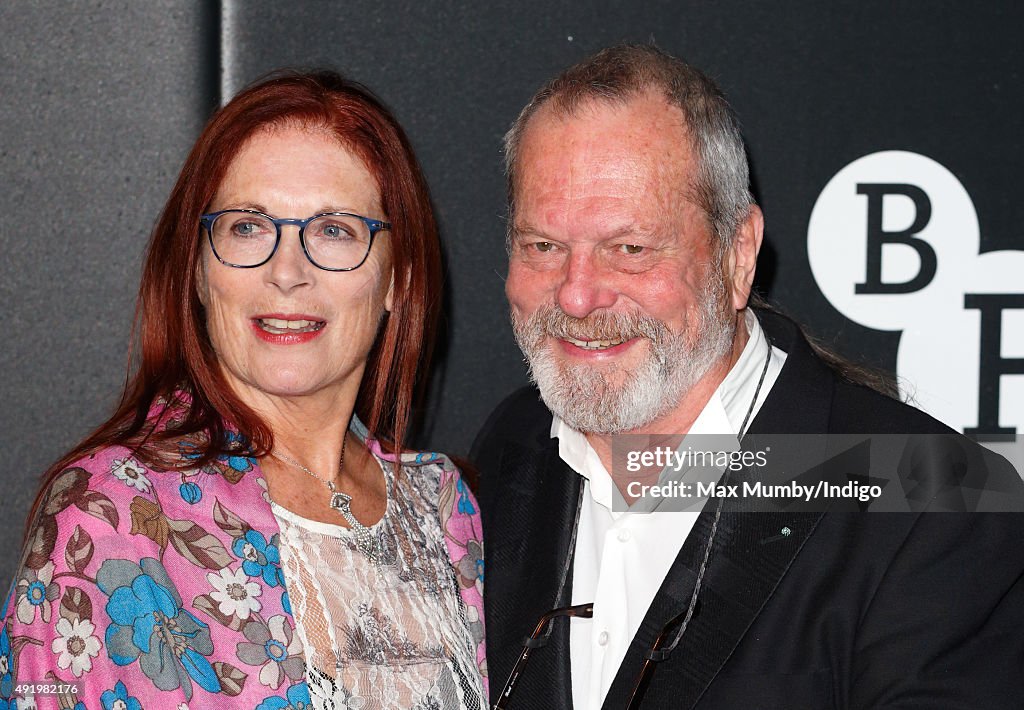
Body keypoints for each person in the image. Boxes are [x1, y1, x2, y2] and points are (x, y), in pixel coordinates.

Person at [473, 44, 1024, 709]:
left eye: (630, 249)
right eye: (543, 247)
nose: (577, 295)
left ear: (738, 256)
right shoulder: (512, 447)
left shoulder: (932, 506)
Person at [1, 71, 486, 710]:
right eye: (248, 228)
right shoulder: (109, 516)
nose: (287, 272)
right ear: (199, 272)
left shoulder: (445, 510)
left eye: (335, 230)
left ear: (398, 279)